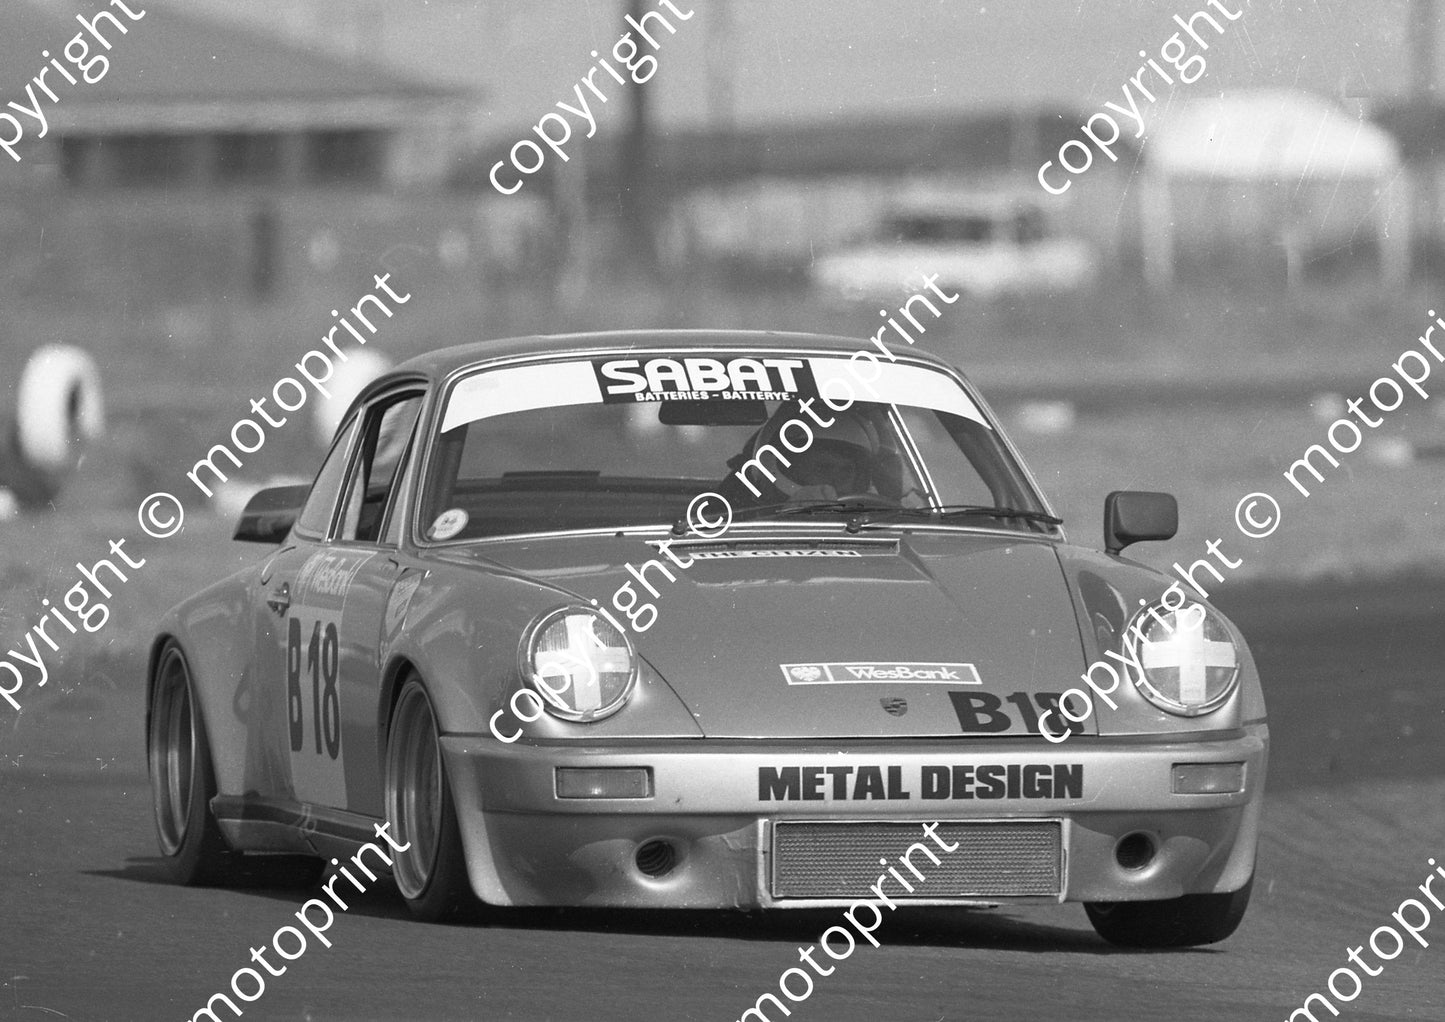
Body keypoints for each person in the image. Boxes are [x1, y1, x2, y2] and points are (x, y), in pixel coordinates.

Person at [718, 402, 886, 507]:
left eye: (846, 471)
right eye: (823, 468)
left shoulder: (877, 522)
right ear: (787, 468)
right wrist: (789, 516)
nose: (834, 481)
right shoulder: (737, 516)